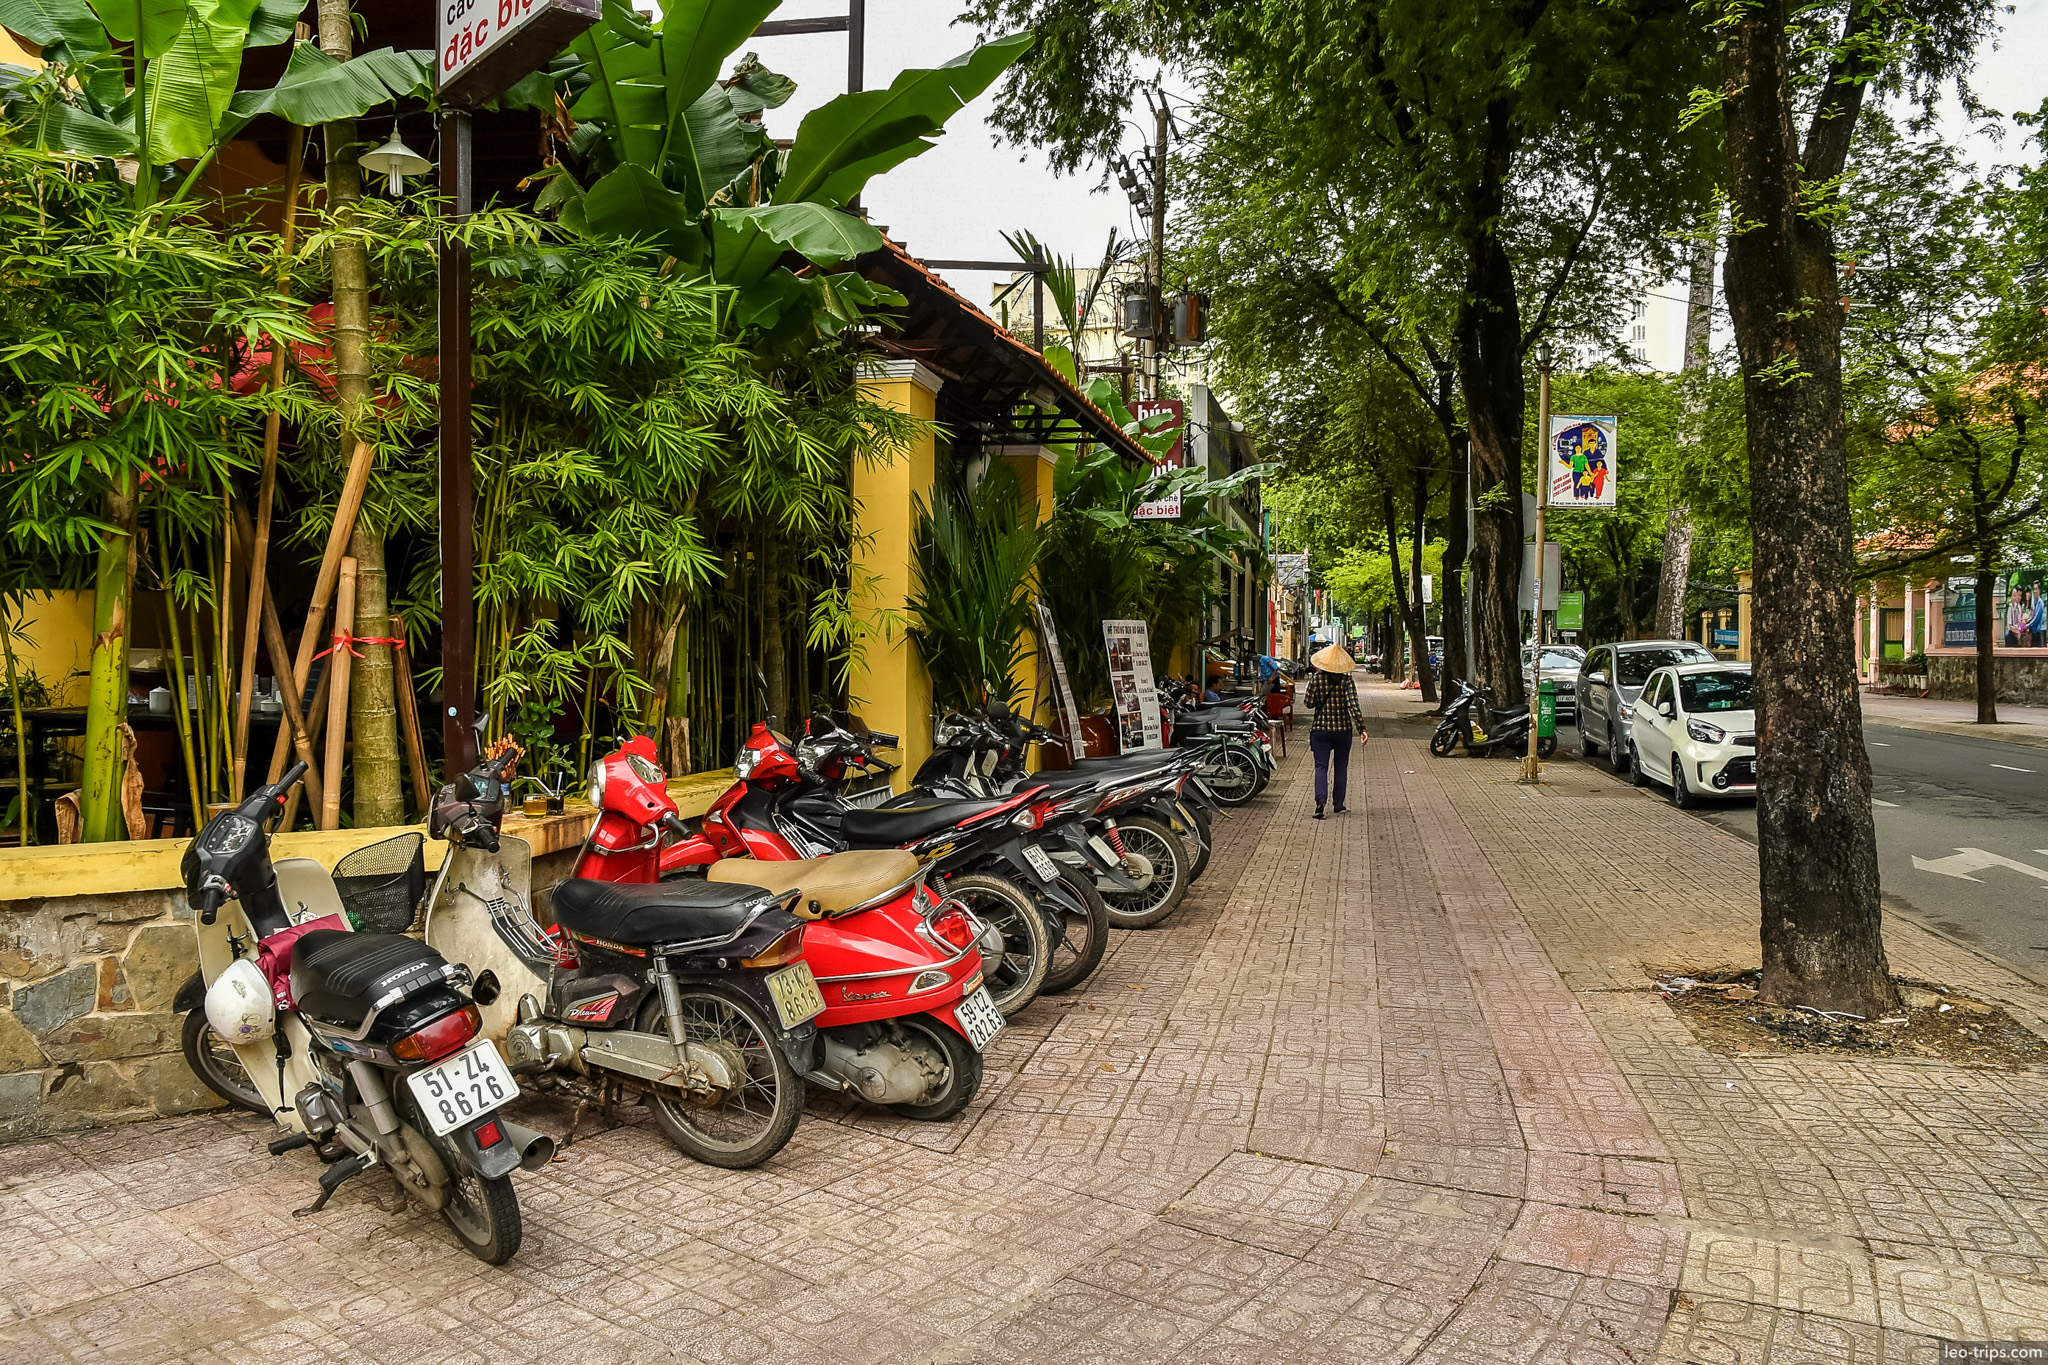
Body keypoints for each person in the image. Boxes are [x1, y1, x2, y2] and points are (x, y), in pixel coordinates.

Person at [1304, 639, 1368, 820]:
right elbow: (1353, 706)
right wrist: (1362, 728)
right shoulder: (1347, 681)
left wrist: (1319, 698)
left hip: (1320, 731)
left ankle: (1320, 802)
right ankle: (1338, 804)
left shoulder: (1316, 679)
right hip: (1343, 731)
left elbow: (1308, 704)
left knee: (1320, 767)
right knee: (1341, 767)